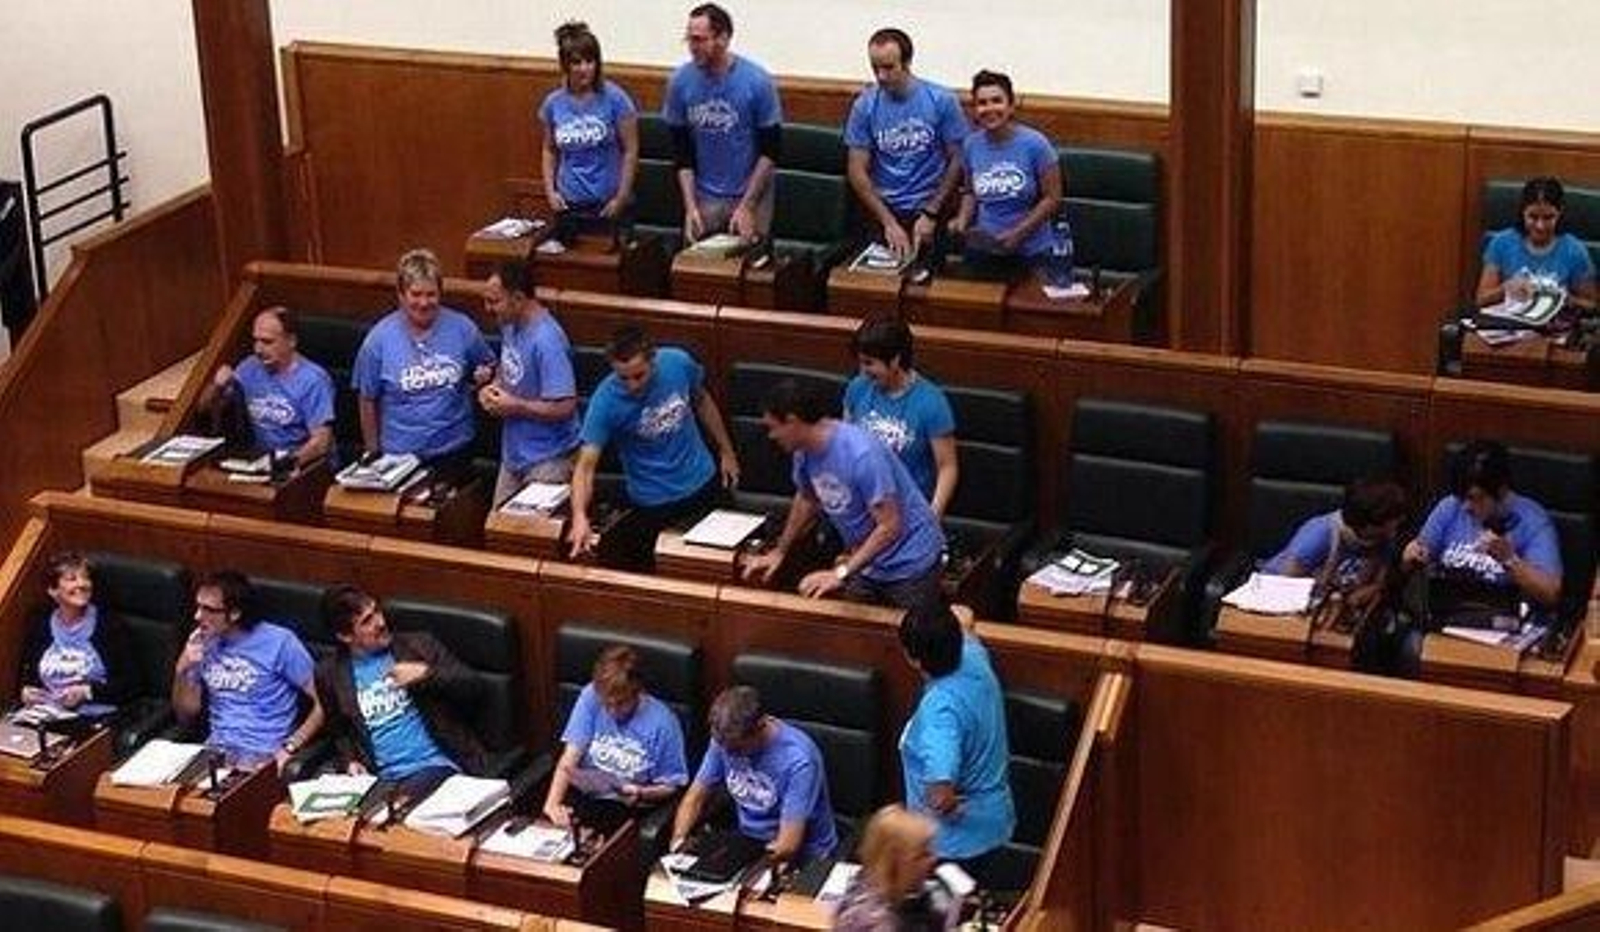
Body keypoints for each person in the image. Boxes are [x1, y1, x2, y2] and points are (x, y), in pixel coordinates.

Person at [743, 378, 946, 613]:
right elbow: (807, 499)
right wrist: (780, 550)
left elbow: (890, 526)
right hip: (866, 563)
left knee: (912, 641)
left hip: (911, 565)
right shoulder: (803, 452)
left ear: (792, 421)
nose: (771, 436)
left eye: (772, 427)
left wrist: (841, 572)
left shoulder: (862, 454)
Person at [567, 325, 740, 570]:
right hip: (653, 502)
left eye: (639, 375)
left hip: (703, 484)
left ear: (653, 360)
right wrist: (579, 516)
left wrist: (726, 451)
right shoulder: (605, 401)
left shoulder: (678, 363)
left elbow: (702, 400)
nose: (632, 385)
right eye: (623, 377)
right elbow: (585, 467)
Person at [314, 584, 487, 786]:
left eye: (377, 611)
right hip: (379, 781)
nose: (380, 622)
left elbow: (474, 687)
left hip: (436, 766)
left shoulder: (419, 646)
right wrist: (350, 760)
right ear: (346, 636)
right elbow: (339, 730)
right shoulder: (329, 674)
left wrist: (425, 673)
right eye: (367, 621)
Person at [897, 603, 1014, 886]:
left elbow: (940, 788)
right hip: (995, 820)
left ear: (914, 659)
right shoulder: (975, 657)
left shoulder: (940, 713)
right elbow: (966, 616)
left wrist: (946, 805)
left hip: (955, 846)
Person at [352, 248, 495, 471]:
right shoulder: (378, 340)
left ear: (440, 293)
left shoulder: (463, 327)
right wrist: (373, 453)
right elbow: (367, 399)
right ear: (401, 295)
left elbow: (489, 366)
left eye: (431, 294)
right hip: (400, 455)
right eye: (416, 294)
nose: (424, 302)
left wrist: (485, 376)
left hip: (455, 449)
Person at [171, 571, 323, 772]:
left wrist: (290, 747)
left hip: (264, 755)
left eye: (208, 609)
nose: (197, 616)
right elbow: (186, 715)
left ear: (234, 614)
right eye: (198, 606)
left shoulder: (280, 643)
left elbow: (324, 703)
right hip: (216, 752)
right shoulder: (201, 642)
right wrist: (182, 669)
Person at [843, 28, 967, 273]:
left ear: (908, 62)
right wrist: (888, 222)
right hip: (884, 209)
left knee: (924, 284)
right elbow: (857, 170)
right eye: (875, 68)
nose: (881, 76)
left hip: (930, 207)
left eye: (889, 68)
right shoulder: (865, 106)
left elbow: (958, 159)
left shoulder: (941, 100)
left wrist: (931, 212)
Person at [670, 685, 837, 866]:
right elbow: (695, 798)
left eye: (736, 749)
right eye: (723, 746)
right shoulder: (725, 740)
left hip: (803, 856)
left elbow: (788, 845)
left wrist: (740, 871)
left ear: (760, 727)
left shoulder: (799, 760)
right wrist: (679, 840)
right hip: (748, 844)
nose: (729, 754)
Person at [663, 3, 783, 242]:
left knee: (746, 268)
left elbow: (771, 150)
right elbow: (681, 151)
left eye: (699, 40)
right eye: (689, 40)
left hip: (749, 193)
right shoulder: (680, 82)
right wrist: (690, 207)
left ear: (723, 38)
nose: (692, 47)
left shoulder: (757, 81)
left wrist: (747, 206)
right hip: (703, 195)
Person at [1402, 440, 1562, 610]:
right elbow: (1414, 563)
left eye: (1473, 498)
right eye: (1461, 497)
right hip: (1449, 613)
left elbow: (1551, 594)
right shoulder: (1450, 506)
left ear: (1501, 491)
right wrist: (1410, 558)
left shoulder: (1533, 520)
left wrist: (1509, 559)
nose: (1465, 506)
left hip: (1502, 620)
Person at [541, 644, 688, 827]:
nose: (612, 711)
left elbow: (670, 786)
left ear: (637, 692)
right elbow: (570, 756)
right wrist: (552, 804)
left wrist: (641, 792)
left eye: (620, 703)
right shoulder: (591, 696)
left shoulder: (664, 723)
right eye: (606, 704)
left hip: (628, 807)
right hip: (586, 798)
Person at [479, 260, 581, 506]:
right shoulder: (509, 325)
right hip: (514, 455)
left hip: (550, 460)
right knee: (499, 532)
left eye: (494, 301)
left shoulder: (548, 340)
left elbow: (565, 405)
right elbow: (509, 367)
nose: (487, 309)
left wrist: (515, 406)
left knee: (530, 538)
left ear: (517, 298)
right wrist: (493, 387)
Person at [948, 70, 1064, 278]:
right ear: (975, 110)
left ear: (1010, 106)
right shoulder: (971, 144)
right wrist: (962, 220)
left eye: (997, 101)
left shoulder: (1036, 144)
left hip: (1032, 251)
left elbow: (1052, 198)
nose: (989, 108)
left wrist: (1017, 234)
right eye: (982, 103)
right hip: (985, 250)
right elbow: (970, 192)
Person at [843, 317, 958, 517]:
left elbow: (947, 467)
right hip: (864, 504)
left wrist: (932, 516)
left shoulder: (931, 402)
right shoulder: (857, 388)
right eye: (861, 363)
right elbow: (845, 444)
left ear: (895, 360)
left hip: (907, 509)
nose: (863, 371)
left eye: (869, 363)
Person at [198, 306, 336, 468]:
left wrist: (286, 465)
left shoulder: (314, 380)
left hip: (302, 464)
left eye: (267, 342)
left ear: (291, 341)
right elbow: (204, 408)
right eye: (256, 340)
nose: (258, 349)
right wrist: (217, 386)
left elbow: (321, 442)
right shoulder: (249, 367)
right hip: (259, 461)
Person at [539, 22, 639, 244]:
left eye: (590, 61)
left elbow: (631, 151)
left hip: (608, 205)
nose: (585, 68)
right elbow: (549, 149)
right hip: (569, 205)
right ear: (565, 65)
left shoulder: (616, 99)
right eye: (577, 62)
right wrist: (550, 192)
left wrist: (621, 198)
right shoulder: (553, 103)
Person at [17, 551, 136, 716]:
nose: (82, 584)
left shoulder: (110, 625)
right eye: (72, 579)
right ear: (52, 590)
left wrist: (86, 692)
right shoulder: (40, 622)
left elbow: (132, 685)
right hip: (47, 713)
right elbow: (28, 675)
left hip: (94, 715)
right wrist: (26, 691)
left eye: (85, 578)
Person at [1263, 477, 1408, 610]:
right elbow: (1284, 588)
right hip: (1279, 594)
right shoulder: (1317, 537)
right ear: (1370, 526)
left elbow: (1379, 583)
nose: (1395, 528)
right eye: (1391, 524)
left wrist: (1364, 594)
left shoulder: (1385, 535)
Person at [1476, 176, 1597, 312]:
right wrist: (1507, 288)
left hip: (1554, 327)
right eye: (1533, 217)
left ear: (1560, 213)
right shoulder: (1501, 243)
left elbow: (1590, 305)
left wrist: (1565, 299)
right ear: (1523, 212)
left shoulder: (1574, 250)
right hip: (1509, 324)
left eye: (1548, 217)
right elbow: (1481, 300)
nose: (1540, 226)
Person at [832, 805, 946, 931]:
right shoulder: (876, 922)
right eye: (922, 855)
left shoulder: (912, 897)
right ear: (893, 865)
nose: (933, 859)